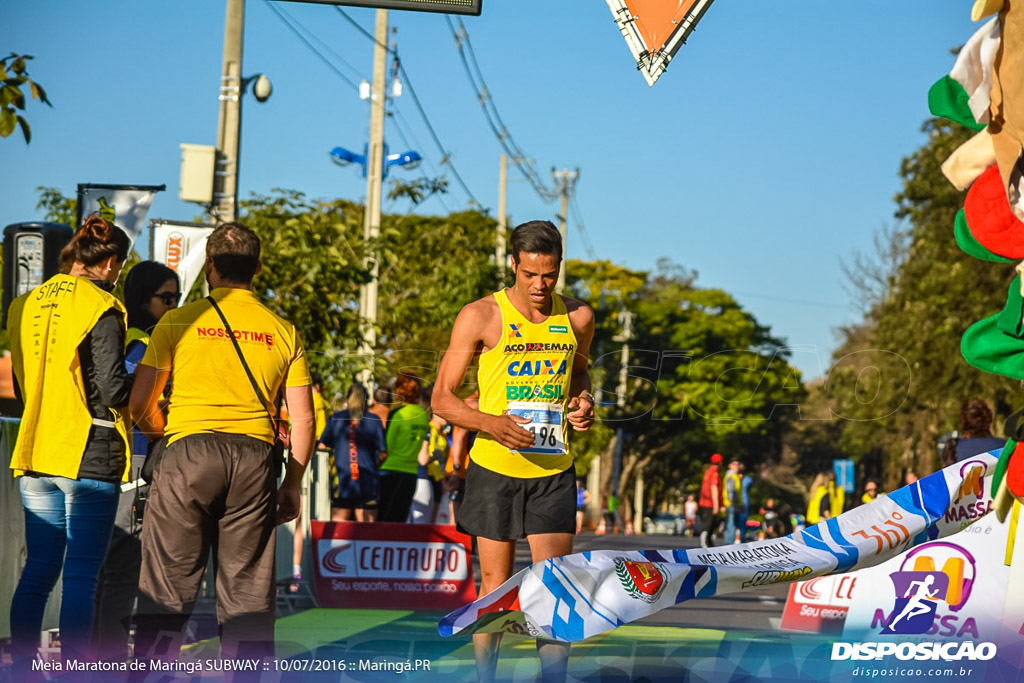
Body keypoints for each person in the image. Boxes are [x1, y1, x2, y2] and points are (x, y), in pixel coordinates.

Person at [129, 221, 315, 663]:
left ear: (209, 266)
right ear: (258, 268)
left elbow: (139, 405)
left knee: (167, 586)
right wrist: (293, 482)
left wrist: (166, 435)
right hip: (254, 459)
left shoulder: (178, 320)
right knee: (248, 591)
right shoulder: (283, 331)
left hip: (187, 453)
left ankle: (153, 674)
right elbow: (303, 420)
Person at [432, 219, 596, 683]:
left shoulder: (579, 317)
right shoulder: (481, 315)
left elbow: (578, 379)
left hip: (553, 468)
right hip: (494, 467)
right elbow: (441, 399)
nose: (540, 286)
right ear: (513, 265)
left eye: (549, 275)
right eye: (530, 274)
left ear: (560, 268)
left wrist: (582, 406)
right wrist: (492, 424)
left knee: (556, 587)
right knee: (496, 590)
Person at [7, 215, 133, 668]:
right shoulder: (101, 305)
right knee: (81, 573)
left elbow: (23, 383)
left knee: (38, 571)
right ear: (110, 262)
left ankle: (22, 670)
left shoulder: (23, 304)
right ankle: (78, 672)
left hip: (36, 448)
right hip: (88, 449)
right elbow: (113, 390)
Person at [93, 260, 180, 662]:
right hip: (134, 461)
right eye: (167, 298)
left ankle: (96, 657)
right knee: (122, 570)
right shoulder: (139, 344)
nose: (174, 306)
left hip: (119, 461)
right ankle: (106, 660)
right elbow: (134, 401)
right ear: (144, 298)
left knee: (106, 570)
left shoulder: (135, 338)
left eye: (178, 298)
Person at [320, 383, 387, 521]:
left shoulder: (336, 419)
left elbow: (322, 447)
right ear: (366, 400)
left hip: (342, 480)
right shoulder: (374, 420)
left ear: (347, 399)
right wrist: (375, 465)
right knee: (366, 533)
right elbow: (383, 453)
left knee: (339, 533)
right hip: (368, 481)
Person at [378, 372, 430, 522]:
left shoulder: (397, 414)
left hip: (390, 471)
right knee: (400, 520)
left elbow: (386, 446)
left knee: (384, 520)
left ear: (399, 390)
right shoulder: (422, 414)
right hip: (411, 473)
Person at [941, 398, 1006, 466]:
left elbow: (946, 475)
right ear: (988, 418)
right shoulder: (1003, 445)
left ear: (963, 421)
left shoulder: (953, 448)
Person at [698, 453, 723, 548]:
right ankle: (704, 543)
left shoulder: (707, 472)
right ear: (720, 463)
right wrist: (716, 505)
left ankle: (707, 542)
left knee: (709, 523)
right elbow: (714, 489)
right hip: (710, 504)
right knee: (708, 524)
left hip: (703, 502)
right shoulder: (715, 474)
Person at [722, 460, 742, 544]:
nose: (737, 466)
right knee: (731, 525)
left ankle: (729, 543)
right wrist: (734, 503)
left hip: (732, 503)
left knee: (731, 524)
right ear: (729, 465)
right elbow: (730, 491)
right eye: (734, 464)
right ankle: (729, 544)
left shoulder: (734, 475)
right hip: (731, 504)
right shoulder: (731, 475)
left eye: (738, 464)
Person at [736, 463, 753, 543]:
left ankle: (742, 540)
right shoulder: (734, 478)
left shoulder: (748, 480)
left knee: (742, 523)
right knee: (733, 523)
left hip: (744, 503)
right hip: (735, 503)